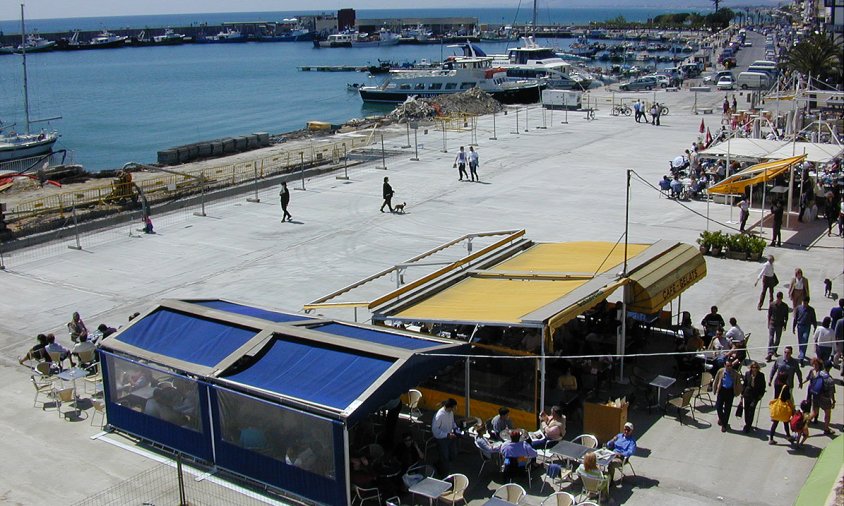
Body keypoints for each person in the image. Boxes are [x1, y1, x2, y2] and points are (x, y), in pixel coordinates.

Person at [807, 361, 836, 435]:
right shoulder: (830, 379)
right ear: (830, 368)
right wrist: (833, 400)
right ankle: (826, 429)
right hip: (825, 399)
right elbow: (832, 392)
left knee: (814, 412)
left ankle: (805, 423)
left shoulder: (818, 373)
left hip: (816, 395)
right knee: (827, 414)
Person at [713, 359, 742, 432]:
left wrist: (738, 392)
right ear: (725, 365)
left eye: (731, 365)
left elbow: (738, 384)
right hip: (722, 390)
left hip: (730, 392)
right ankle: (722, 418)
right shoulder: (721, 371)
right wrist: (714, 389)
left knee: (727, 409)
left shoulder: (735, 374)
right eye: (728, 366)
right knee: (718, 406)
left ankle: (724, 424)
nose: (729, 367)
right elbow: (716, 380)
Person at [431, 398, 459, 473]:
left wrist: (456, 428)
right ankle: (444, 472)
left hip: (450, 436)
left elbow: (452, 422)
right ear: (450, 407)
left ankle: (440, 464)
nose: (456, 409)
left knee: (453, 454)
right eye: (454, 407)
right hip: (442, 439)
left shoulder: (451, 413)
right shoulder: (439, 415)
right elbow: (435, 430)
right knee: (445, 456)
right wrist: (446, 435)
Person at [768, 369, 794, 444]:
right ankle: (788, 436)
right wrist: (793, 408)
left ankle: (771, 438)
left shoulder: (776, 383)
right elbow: (788, 399)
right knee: (786, 422)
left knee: (775, 423)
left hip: (776, 405)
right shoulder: (785, 387)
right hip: (783, 406)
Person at [793, 297, 818, 365]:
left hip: (807, 327)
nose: (804, 304)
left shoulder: (811, 310)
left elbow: (814, 319)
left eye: (806, 303)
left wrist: (815, 327)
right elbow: (795, 318)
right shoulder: (798, 308)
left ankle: (801, 357)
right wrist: (793, 327)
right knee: (800, 341)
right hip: (799, 326)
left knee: (804, 341)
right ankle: (801, 353)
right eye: (804, 303)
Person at [766, 292, 789, 361]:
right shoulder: (772, 304)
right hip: (772, 323)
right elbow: (769, 314)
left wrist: (785, 325)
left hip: (779, 324)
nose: (779, 299)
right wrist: (768, 323)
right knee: (771, 338)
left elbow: (786, 317)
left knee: (777, 339)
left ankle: (774, 351)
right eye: (778, 298)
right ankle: (770, 353)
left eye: (780, 298)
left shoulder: (785, 306)